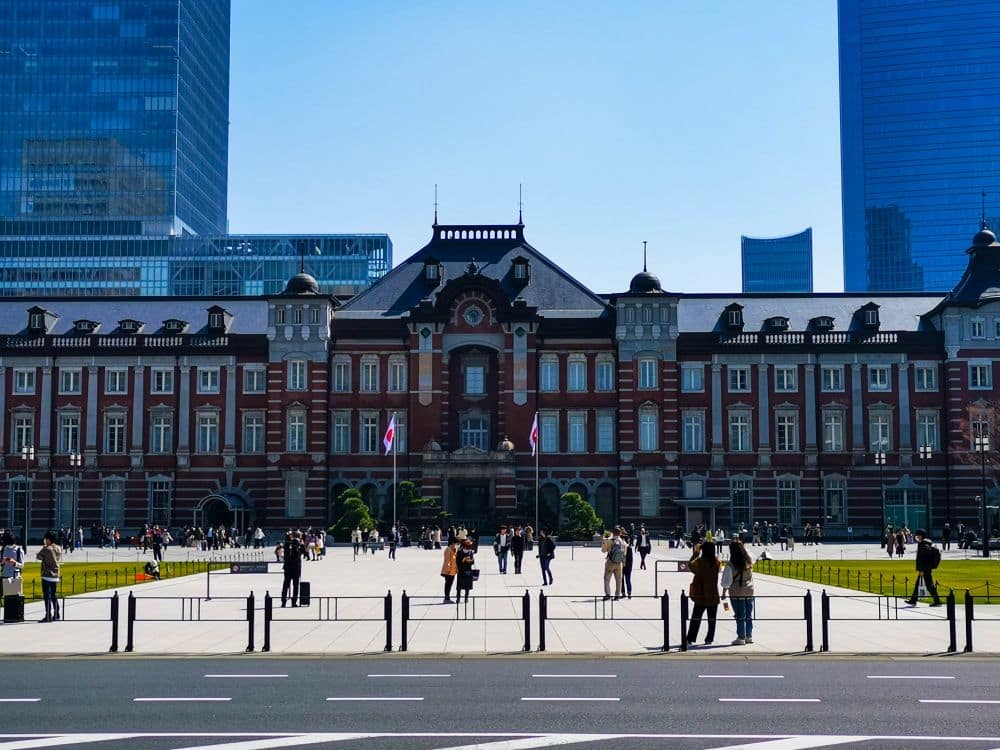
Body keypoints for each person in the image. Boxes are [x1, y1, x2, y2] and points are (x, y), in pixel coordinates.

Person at [686, 541, 722, 646]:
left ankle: (691, 638)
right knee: (712, 619)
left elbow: (690, 565)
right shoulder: (717, 562)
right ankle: (709, 638)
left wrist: (696, 552)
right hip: (713, 594)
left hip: (701, 594)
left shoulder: (700, 562)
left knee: (696, 618)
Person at [721, 539, 755, 645]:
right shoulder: (749, 561)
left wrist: (723, 593)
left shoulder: (730, 565)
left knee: (740, 615)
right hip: (749, 591)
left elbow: (726, 582)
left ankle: (741, 637)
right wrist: (742, 547)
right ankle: (749, 636)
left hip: (737, 592)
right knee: (748, 615)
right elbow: (751, 554)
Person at [905, 530, 942, 607]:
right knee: (918, 584)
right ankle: (913, 600)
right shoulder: (924, 544)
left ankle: (937, 601)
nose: (916, 537)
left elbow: (924, 559)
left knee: (929, 585)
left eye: (918, 535)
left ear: (921, 536)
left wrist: (922, 570)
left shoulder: (923, 545)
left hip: (925, 570)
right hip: (925, 569)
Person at [36, 531, 62, 623]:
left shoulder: (47, 549)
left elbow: (38, 557)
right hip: (56, 574)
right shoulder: (58, 548)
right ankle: (57, 614)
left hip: (47, 574)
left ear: (48, 539)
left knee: (47, 596)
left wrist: (43, 547)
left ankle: (48, 615)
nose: (45, 541)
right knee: (54, 595)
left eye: (46, 539)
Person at [281, 531, 307, 607]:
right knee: (295, 585)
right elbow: (305, 553)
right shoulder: (299, 545)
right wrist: (301, 542)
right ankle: (294, 602)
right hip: (296, 568)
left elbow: (285, 552)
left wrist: (288, 537)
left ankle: (283, 602)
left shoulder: (287, 544)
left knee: (286, 584)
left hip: (288, 567)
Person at [602, 529, 626, 601]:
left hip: (610, 562)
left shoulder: (610, 540)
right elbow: (624, 553)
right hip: (619, 563)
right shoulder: (623, 541)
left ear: (613, 533)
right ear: (620, 533)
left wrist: (604, 542)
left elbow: (603, 550)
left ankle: (608, 594)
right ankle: (617, 596)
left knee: (607, 579)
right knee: (618, 580)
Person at [456, 539, 476, 603]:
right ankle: (458, 598)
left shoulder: (470, 552)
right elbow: (457, 561)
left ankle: (466, 598)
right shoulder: (459, 551)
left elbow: (473, 561)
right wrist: (463, 560)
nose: (468, 548)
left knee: (467, 585)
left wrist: (470, 561)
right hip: (461, 570)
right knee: (459, 585)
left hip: (468, 570)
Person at [622, 535, 634, 599]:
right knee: (624, 580)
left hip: (625, 566)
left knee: (626, 580)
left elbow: (630, 559)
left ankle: (628, 593)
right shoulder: (627, 548)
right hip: (624, 566)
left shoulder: (628, 548)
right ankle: (625, 593)